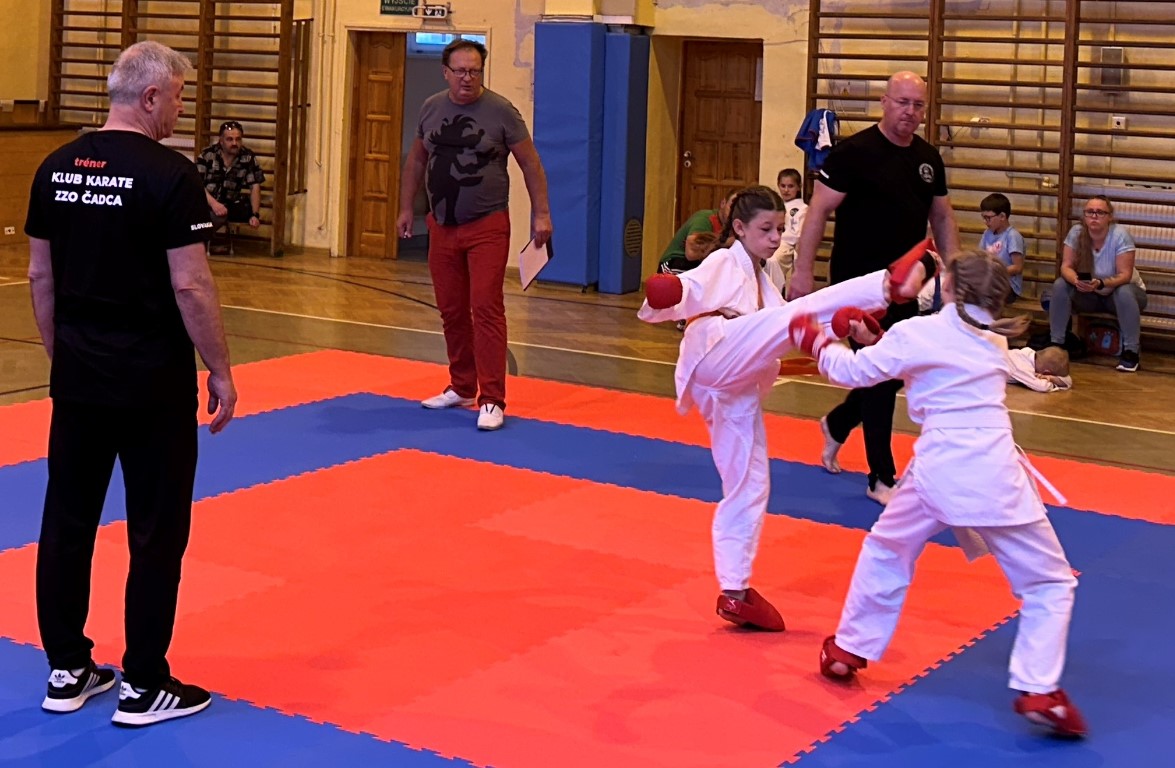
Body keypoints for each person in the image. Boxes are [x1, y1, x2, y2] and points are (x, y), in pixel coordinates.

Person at [24, 40, 237, 727]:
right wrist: (220, 368)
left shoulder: (56, 167)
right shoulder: (170, 175)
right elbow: (191, 284)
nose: (180, 109)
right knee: (155, 530)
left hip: (79, 380)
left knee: (67, 521)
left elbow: (39, 275)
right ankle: (144, 682)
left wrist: (64, 354)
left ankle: (67, 669)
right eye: (178, 97)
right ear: (150, 97)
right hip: (152, 384)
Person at [791, 249, 1086, 738]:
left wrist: (818, 341)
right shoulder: (992, 339)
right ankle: (1040, 688)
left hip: (938, 470)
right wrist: (878, 340)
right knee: (1049, 584)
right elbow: (933, 356)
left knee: (888, 548)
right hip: (994, 472)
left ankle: (848, 649)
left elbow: (855, 373)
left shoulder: (918, 333)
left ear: (948, 287)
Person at [637, 185, 936, 632]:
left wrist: (841, 328)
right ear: (740, 228)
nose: (776, 238)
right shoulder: (723, 261)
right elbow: (695, 289)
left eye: (780, 229)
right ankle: (886, 284)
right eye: (766, 229)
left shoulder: (767, 274)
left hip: (736, 386)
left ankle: (735, 590)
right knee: (794, 317)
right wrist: (672, 290)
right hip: (716, 351)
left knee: (750, 484)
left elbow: (792, 332)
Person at [789, 71, 960, 505]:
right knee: (882, 376)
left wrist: (955, 275)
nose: (910, 112)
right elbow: (818, 211)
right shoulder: (853, 153)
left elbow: (942, 217)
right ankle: (881, 477)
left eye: (918, 105)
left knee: (894, 372)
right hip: (856, 286)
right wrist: (803, 272)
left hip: (904, 285)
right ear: (884, 102)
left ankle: (839, 422)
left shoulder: (927, 159)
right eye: (902, 102)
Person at [397, 37, 552, 431]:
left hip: (487, 225)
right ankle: (462, 386)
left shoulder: (502, 112)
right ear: (446, 72)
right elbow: (417, 160)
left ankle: (492, 398)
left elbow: (531, 164)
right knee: (451, 310)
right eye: (461, 71)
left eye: (475, 71)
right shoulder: (432, 108)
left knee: (485, 308)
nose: (467, 78)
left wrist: (541, 214)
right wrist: (405, 208)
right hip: (441, 225)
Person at [1048, 195, 1148, 373]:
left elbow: (1125, 275)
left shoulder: (1120, 236)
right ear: (1084, 215)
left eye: (1100, 212)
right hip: (1090, 294)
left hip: (1121, 295)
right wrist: (1077, 281)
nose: (1094, 216)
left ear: (1110, 216)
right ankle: (1056, 344)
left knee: (1124, 291)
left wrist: (1101, 283)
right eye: (1090, 212)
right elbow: (1066, 267)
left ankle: (1131, 352)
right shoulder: (1076, 233)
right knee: (1060, 285)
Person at [195, 119, 265, 252]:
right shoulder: (207, 155)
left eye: (238, 139)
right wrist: (214, 204)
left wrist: (255, 214)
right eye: (230, 139)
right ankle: (195, 235)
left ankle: (197, 237)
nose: (234, 143)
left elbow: (255, 186)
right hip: (206, 201)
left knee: (228, 213)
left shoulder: (248, 157)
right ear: (221, 141)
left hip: (230, 204)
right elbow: (197, 184)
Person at [763, 168, 807, 293]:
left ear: (799, 187)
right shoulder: (773, 205)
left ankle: (772, 294)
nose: (786, 190)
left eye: (790, 186)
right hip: (769, 240)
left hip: (787, 245)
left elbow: (800, 236)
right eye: (783, 186)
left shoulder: (803, 208)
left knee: (771, 260)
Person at [978, 193, 1025, 303]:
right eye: (983, 217)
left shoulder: (1012, 236)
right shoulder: (987, 234)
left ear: (1002, 216)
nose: (985, 221)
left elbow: (1018, 267)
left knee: (985, 293)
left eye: (988, 218)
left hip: (1008, 285)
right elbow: (980, 256)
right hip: (990, 281)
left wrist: (995, 272)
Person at [1007, 345, 1072, 392]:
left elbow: (1068, 381)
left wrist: (1051, 378)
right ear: (1046, 372)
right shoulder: (1022, 366)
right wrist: (1052, 383)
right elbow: (1042, 387)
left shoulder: (1031, 354)